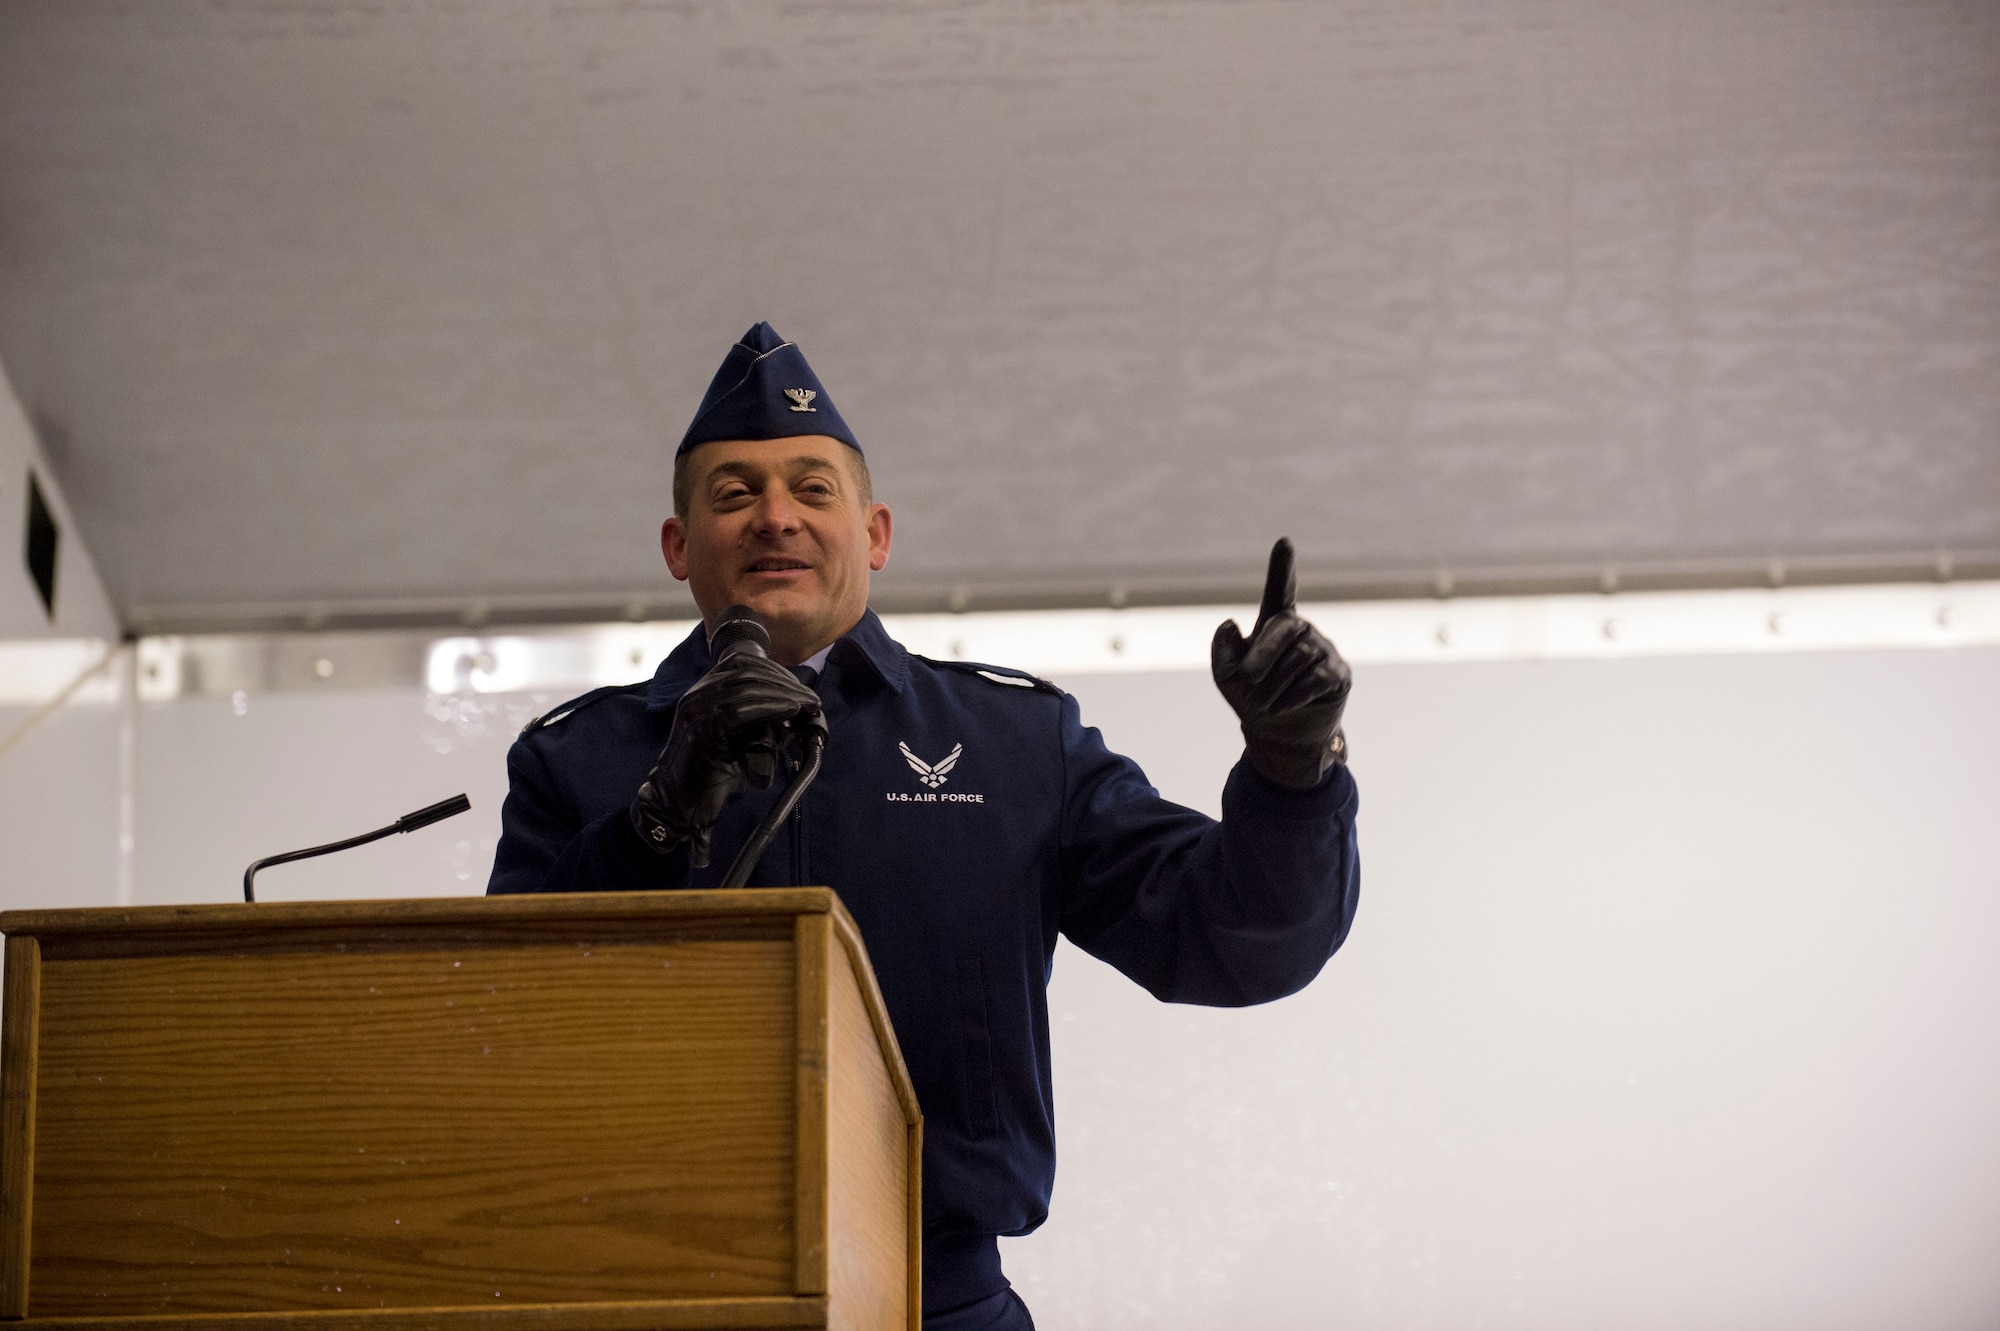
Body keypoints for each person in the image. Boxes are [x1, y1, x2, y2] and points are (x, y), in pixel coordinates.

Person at [489, 322, 1360, 1331]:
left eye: (812, 488)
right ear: (679, 546)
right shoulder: (579, 759)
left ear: (875, 534)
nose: (775, 516)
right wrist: (653, 820)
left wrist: (1292, 768)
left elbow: (1232, 938)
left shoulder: (1010, 742)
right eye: (733, 493)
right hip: (650, 1294)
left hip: (936, 1297)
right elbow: (511, 1035)